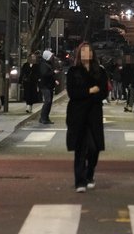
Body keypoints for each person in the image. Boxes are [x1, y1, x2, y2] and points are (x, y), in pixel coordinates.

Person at [65, 42, 109, 193]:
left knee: (94, 148)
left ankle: (90, 174)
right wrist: (90, 91)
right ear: (79, 54)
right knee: (80, 148)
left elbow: (103, 92)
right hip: (77, 115)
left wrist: (90, 94)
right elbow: (72, 93)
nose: (86, 54)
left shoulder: (100, 71)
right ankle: (80, 181)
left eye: (89, 51)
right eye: (83, 52)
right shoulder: (73, 71)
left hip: (94, 114)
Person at [38, 49, 58, 124]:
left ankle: (45, 117)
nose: (51, 57)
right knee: (48, 101)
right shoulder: (43, 64)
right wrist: (53, 72)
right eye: (50, 56)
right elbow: (44, 74)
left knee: (49, 102)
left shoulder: (48, 63)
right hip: (45, 86)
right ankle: (43, 117)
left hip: (49, 85)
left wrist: (54, 79)